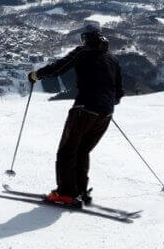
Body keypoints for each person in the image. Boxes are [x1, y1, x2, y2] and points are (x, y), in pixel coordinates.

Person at [28, 20, 123, 206]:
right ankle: (80, 191)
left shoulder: (82, 52)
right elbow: (119, 92)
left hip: (84, 109)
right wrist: (104, 104)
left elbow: (58, 68)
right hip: (105, 114)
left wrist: (35, 75)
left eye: (83, 37)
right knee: (82, 150)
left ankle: (65, 193)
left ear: (86, 37)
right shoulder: (113, 59)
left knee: (67, 151)